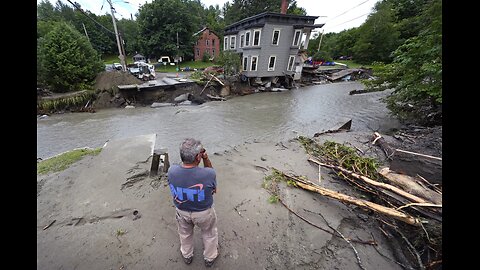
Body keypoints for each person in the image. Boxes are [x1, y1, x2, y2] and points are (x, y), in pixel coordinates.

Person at [167, 138, 219, 267]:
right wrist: (206, 159)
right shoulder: (208, 174)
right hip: (204, 213)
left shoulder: (171, 171)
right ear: (198, 157)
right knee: (209, 234)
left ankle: (187, 255)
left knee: (184, 234)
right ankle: (209, 257)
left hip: (182, 211)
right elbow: (214, 188)